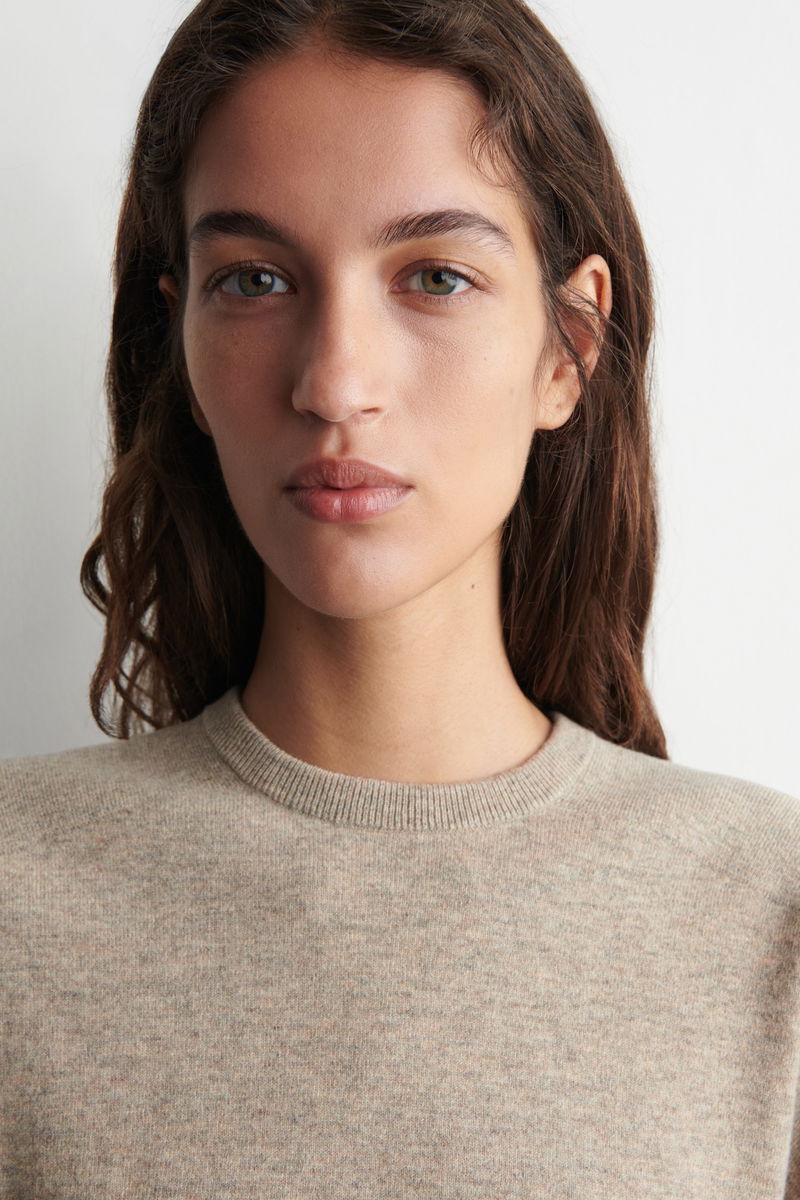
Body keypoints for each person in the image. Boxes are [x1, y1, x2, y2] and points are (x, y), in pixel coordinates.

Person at [1, 0, 798, 1195]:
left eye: (434, 276)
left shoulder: (768, 914)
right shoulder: (16, 892)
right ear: (181, 345)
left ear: (567, 346)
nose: (335, 383)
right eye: (255, 279)